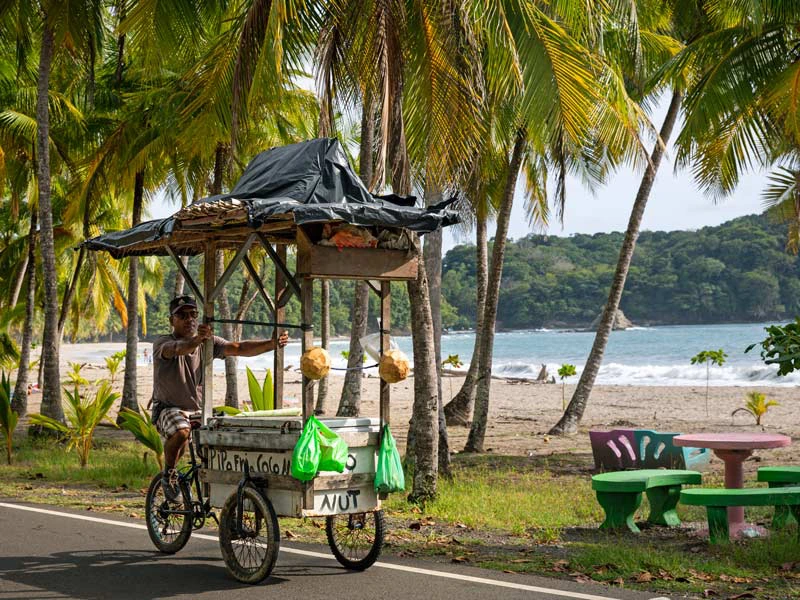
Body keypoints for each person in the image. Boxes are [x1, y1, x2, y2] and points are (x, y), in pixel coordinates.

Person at [151, 294, 289, 501]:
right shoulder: (163, 342)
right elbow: (179, 349)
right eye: (182, 315)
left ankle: (226, 495)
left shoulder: (209, 343)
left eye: (193, 315)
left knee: (225, 437)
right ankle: (169, 473)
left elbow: (239, 348)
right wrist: (197, 340)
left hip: (198, 410)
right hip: (168, 408)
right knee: (181, 432)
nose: (189, 319)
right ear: (172, 320)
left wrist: (271, 344)